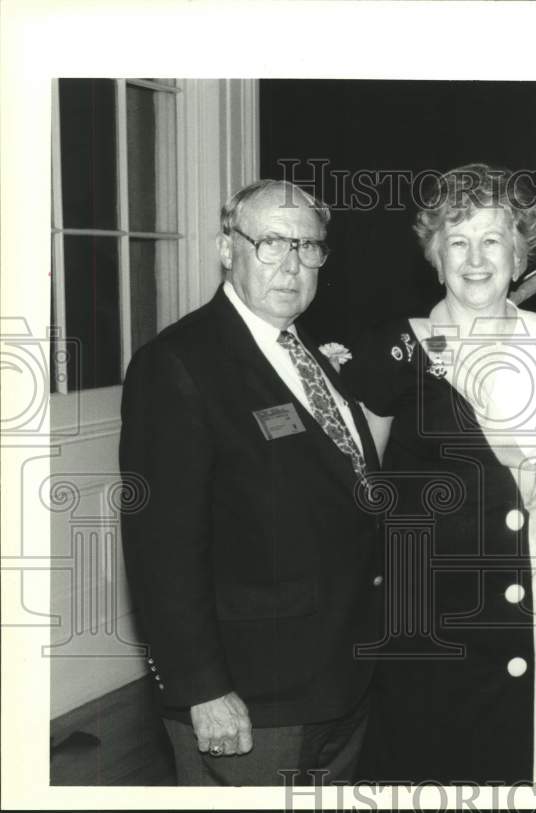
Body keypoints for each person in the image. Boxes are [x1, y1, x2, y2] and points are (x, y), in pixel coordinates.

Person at [119, 180, 383, 786]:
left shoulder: (309, 351)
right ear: (226, 249)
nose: (292, 266)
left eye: (308, 246)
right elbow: (162, 549)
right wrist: (202, 688)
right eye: (270, 243)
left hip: (339, 680)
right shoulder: (178, 364)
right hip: (250, 699)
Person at [340, 164, 536, 785]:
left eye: (493, 240)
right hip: (431, 608)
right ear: (435, 256)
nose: (476, 259)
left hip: (532, 586)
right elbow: (364, 490)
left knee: (525, 754)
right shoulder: (396, 349)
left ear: (520, 254)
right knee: (437, 758)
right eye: (457, 241)